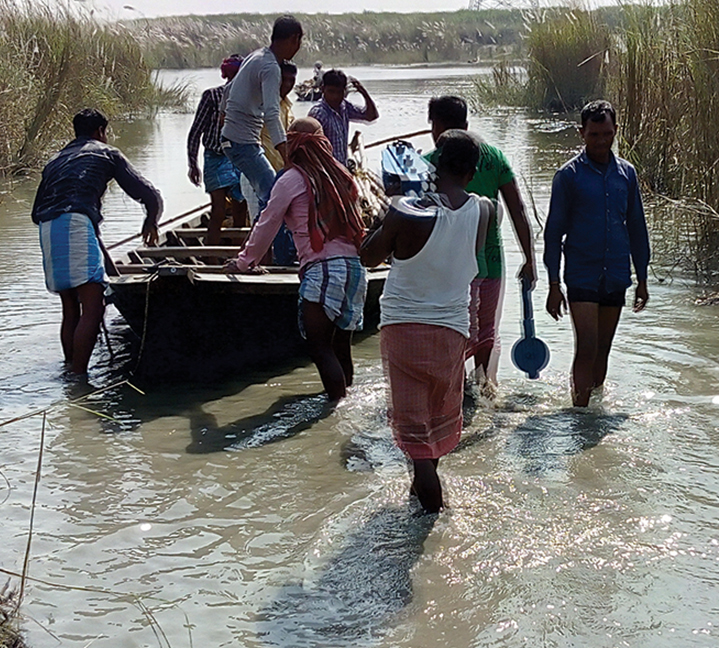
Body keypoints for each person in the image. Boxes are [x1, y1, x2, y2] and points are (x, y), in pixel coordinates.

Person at [361, 130, 493, 514]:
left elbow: (369, 256)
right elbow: (470, 252)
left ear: (434, 165)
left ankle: (434, 519)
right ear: (473, 171)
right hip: (453, 331)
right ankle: (421, 493)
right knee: (433, 425)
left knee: (415, 437)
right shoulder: (485, 210)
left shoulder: (405, 212)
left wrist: (386, 212)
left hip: (404, 328)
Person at [226, 117, 368, 401]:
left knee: (319, 348)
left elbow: (268, 222)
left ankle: (337, 412)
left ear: (294, 145)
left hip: (324, 270)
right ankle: (347, 399)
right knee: (341, 347)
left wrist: (243, 262)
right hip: (355, 269)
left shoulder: (292, 178)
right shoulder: (342, 175)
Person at [32, 108, 163, 374]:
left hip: (47, 228)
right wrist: (151, 220)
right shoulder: (107, 153)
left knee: (71, 306)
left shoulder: (56, 160)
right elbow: (148, 193)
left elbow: (37, 212)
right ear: (99, 132)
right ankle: (79, 378)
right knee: (94, 305)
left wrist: (108, 265)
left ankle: (69, 367)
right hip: (75, 222)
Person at [424, 95, 536, 399]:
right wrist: (529, 258)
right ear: (467, 124)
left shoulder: (431, 162)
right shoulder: (494, 156)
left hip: (452, 267)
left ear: (439, 127)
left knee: (452, 331)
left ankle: (455, 396)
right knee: (486, 333)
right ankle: (487, 391)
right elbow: (518, 210)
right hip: (490, 261)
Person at [543, 100, 651, 407]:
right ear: (582, 133)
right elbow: (553, 233)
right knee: (587, 346)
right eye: (594, 135)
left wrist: (641, 278)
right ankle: (579, 414)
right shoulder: (569, 176)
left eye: (606, 134)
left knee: (604, 348)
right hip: (581, 273)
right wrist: (553, 285)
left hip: (615, 273)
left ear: (615, 130)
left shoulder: (626, 175)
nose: (601, 141)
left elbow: (637, 229)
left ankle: (594, 412)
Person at [223, 15, 303, 213]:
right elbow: (271, 113)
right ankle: (271, 244)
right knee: (276, 199)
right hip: (243, 143)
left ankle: (261, 242)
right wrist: (286, 156)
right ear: (294, 39)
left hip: (234, 140)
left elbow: (227, 90)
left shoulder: (256, 56)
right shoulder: (270, 67)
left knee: (268, 200)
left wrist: (221, 116)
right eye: (299, 41)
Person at [186, 53, 249, 244]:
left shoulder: (248, 99)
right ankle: (211, 256)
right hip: (215, 156)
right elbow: (195, 132)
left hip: (238, 157)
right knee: (219, 210)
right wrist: (193, 165)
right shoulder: (211, 96)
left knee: (241, 207)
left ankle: (238, 253)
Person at [308, 69, 379, 167]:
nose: (335, 97)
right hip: (327, 171)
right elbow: (310, 149)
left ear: (344, 91)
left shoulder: (344, 106)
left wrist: (363, 92)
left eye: (339, 92)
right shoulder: (319, 113)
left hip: (341, 169)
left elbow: (371, 116)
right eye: (331, 92)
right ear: (323, 89)